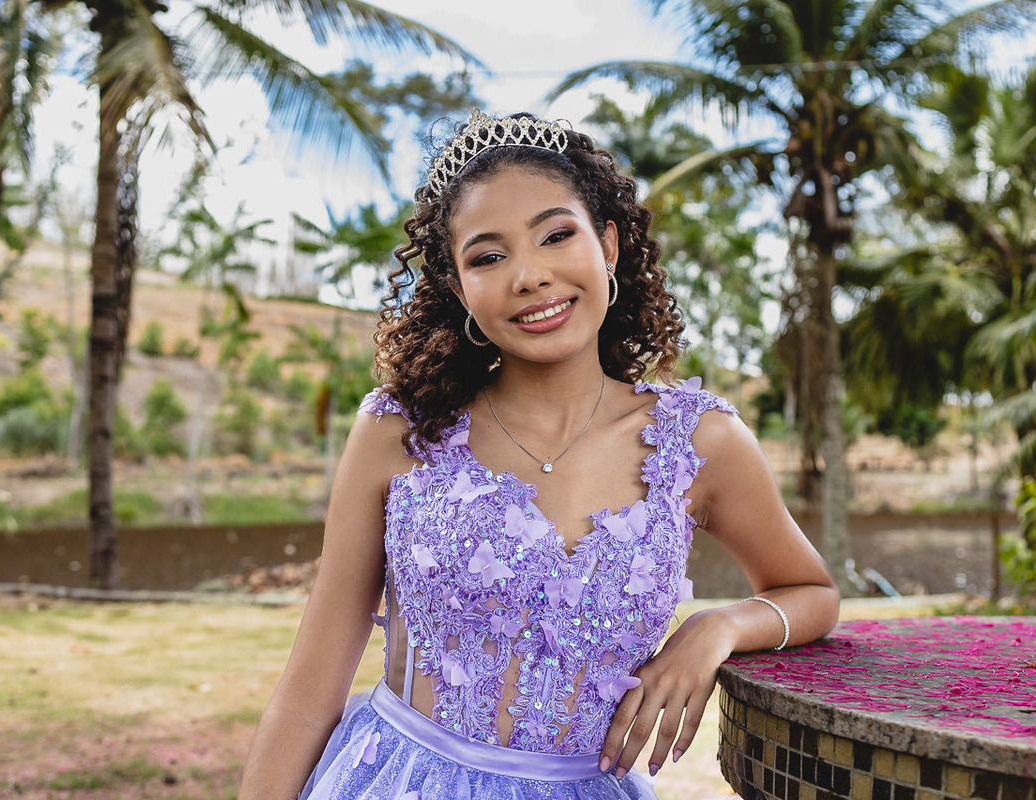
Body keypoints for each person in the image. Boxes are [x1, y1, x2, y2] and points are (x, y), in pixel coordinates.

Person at [238, 109, 840, 800]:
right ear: (460, 287)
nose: (529, 275)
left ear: (607, 244)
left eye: (557, 235)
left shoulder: (698, 442)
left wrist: (719, 627)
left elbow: (812, 592)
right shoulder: (397, 430)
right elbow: (307, 698)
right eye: (488, 256)